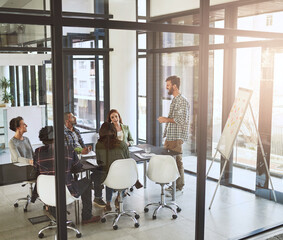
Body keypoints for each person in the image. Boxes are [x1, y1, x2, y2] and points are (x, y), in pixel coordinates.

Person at [33, 126, 100, 224]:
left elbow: (36, 170)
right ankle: (87, 216)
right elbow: (77, 168)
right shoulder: (68, 149)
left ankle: (57, 217)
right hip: (66, 192)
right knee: (87, 181)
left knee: (53, 184)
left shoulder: (37, 151)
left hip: (46, 192)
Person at [157, 75, 190, 194]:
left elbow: (181, 119)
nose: (166, 88)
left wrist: (165, 119)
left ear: (174, 86)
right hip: (170, 135)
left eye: (168, 85)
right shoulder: (175, 100)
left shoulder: (182, 101)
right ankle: (174, 184)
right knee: (170, 160)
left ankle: (178, 185)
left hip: (176, 137)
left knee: (177, 161)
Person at [92, 122, 130, 212]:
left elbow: (99, 162)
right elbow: (128, 160)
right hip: (125, 177)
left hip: (108, 177)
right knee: (116, 173)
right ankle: (119, 196)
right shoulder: (123, 144)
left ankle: (107, 203)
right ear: (114, 131)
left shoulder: (99, 145)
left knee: (107, 173)